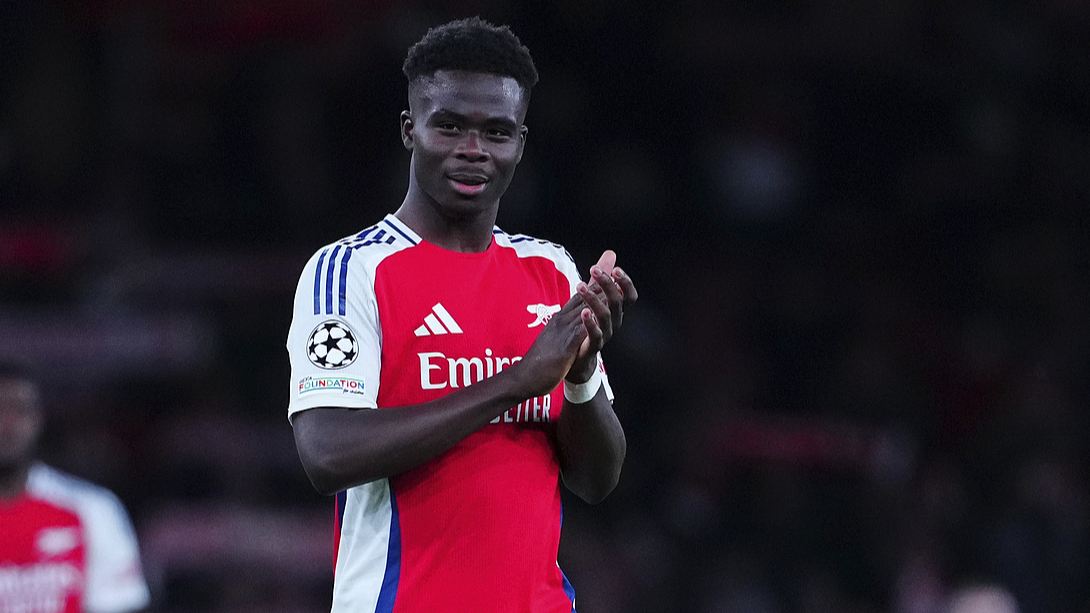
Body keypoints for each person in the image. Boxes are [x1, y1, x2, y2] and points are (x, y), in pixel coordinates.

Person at [286, 16, 638, 613]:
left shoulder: (549, 269)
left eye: (496, 132)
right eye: (449, 126)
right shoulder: (348, 271)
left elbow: (597, 480)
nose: (473, 150)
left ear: (520, 145)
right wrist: (517, 383)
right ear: (410, 130)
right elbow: (327, 454)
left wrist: (579, 377)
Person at [0, 364, 151, 613]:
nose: (7, 423)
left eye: (19, 410)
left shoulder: (93, 509)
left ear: (39, 419)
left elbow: (118, 604)